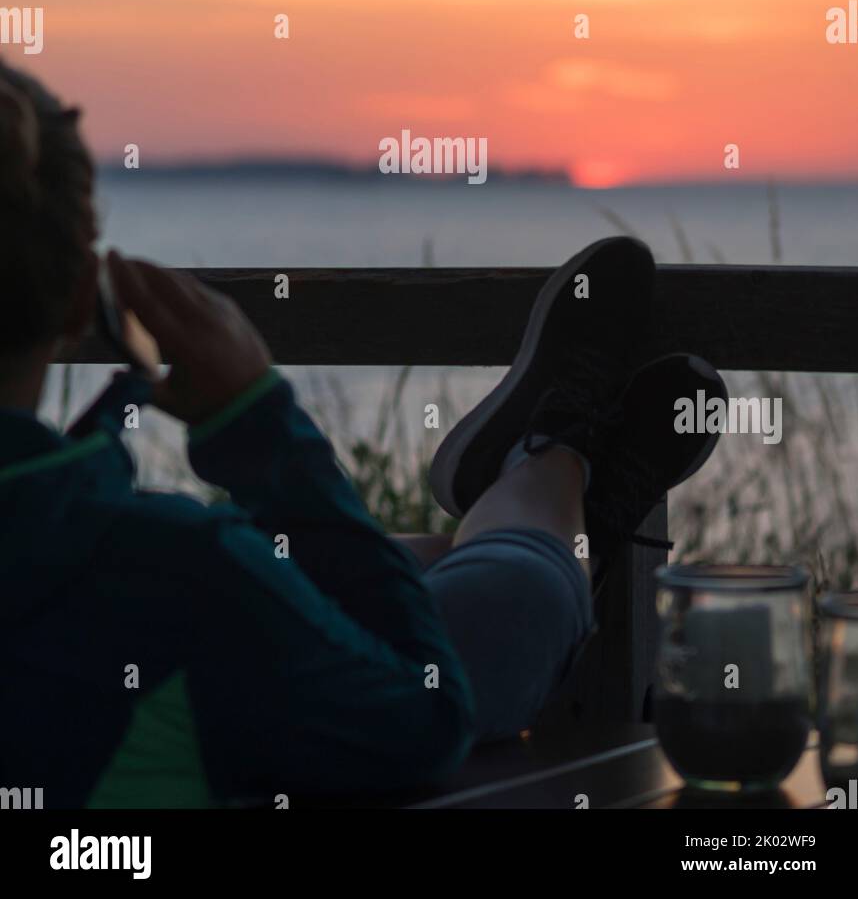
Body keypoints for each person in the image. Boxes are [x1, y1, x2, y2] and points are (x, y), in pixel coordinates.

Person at [0, 62, 726, 808]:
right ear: (82, 296)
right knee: (514, 600)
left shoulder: (171, 567)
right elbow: (428, 718)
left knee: (395, 569)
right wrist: (258, 422)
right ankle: (557, 476)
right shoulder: (180, 572)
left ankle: (555, 519)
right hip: (217, 659)